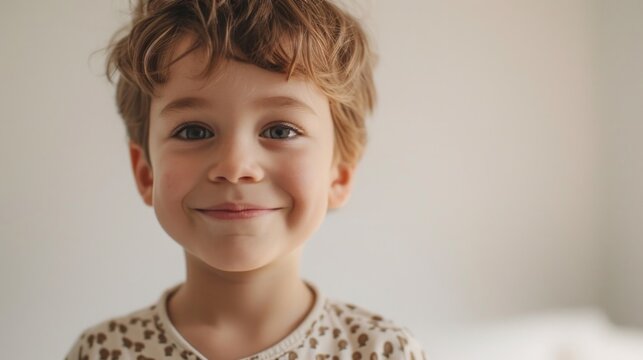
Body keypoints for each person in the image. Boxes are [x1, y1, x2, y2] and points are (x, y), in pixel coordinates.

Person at [65, 1, 426, 359]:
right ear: (145, 173)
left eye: (281, 130)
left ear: (340, 175)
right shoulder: (101, 352)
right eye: (193, 131)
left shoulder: (382, 352)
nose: (235, 166)